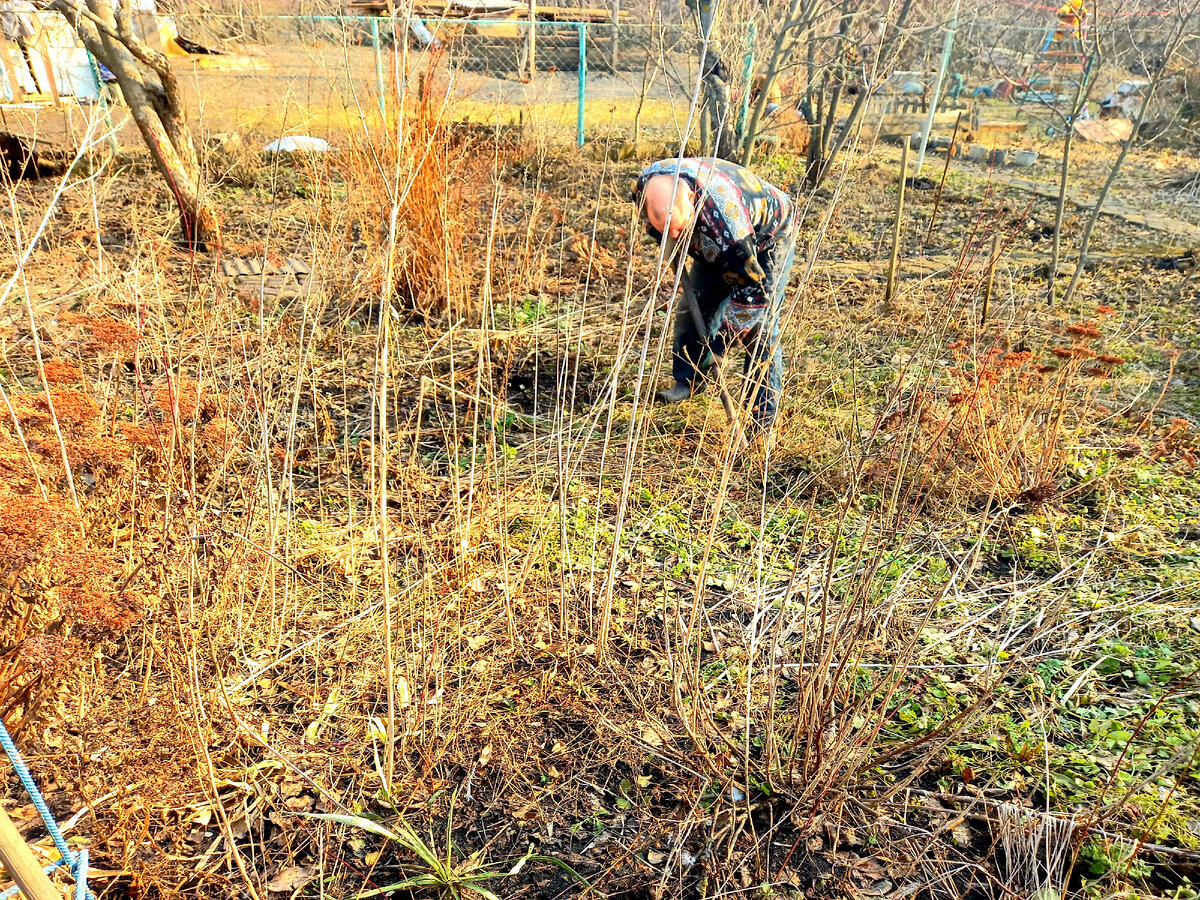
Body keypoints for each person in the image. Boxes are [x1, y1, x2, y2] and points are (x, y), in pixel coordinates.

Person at [631, 157, 797, 436]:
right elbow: (659, 223)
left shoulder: (729, 230)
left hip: (769, 235)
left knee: (760, 331)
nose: (674, 235)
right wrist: (670, 238)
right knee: (691, 309)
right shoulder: (645, 189)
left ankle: (762, 420)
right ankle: (689, 382)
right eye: (667, 229)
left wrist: (720, 345)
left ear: (693, 199)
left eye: (679, 229)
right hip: (708, 230)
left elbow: (751, 292)